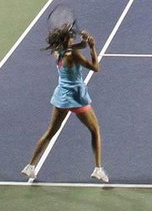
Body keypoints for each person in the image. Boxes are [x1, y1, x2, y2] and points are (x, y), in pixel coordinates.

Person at [22, 23, 106, 183]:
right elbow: (96, 67)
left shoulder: (57, 51)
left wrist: (84, 42)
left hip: (61, 96)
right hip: (76, 97)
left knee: (50, 132)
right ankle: (98, 169)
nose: (73, 38)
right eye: (71, 37)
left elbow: (73, 47)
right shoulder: (73, 55)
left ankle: (30, 166)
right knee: (95, 130)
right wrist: (92, 47)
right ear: (66, 40)